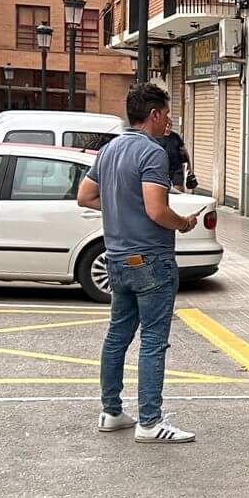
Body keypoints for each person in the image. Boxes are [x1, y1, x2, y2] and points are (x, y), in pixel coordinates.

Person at [79, 83, 200, 445]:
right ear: (155, 114)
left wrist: (118, 208)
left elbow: (85, 196)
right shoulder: (153, 153)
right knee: (153, 340)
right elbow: (156, 210)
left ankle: (112, 411)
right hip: (151, 258)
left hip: (116, 257)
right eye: (167, 114)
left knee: (118, 335)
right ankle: (150, 421)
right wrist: (184, 223)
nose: (170, 122)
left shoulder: (109, 149)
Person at [160, 116, 195, 192]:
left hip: (176, 169)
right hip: (162, 169)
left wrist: (189, 168)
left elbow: (184, 152)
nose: (168, 126)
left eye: (170, 124)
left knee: (178, 192)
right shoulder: (157, 136)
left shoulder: (176, 137)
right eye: (166, 124)